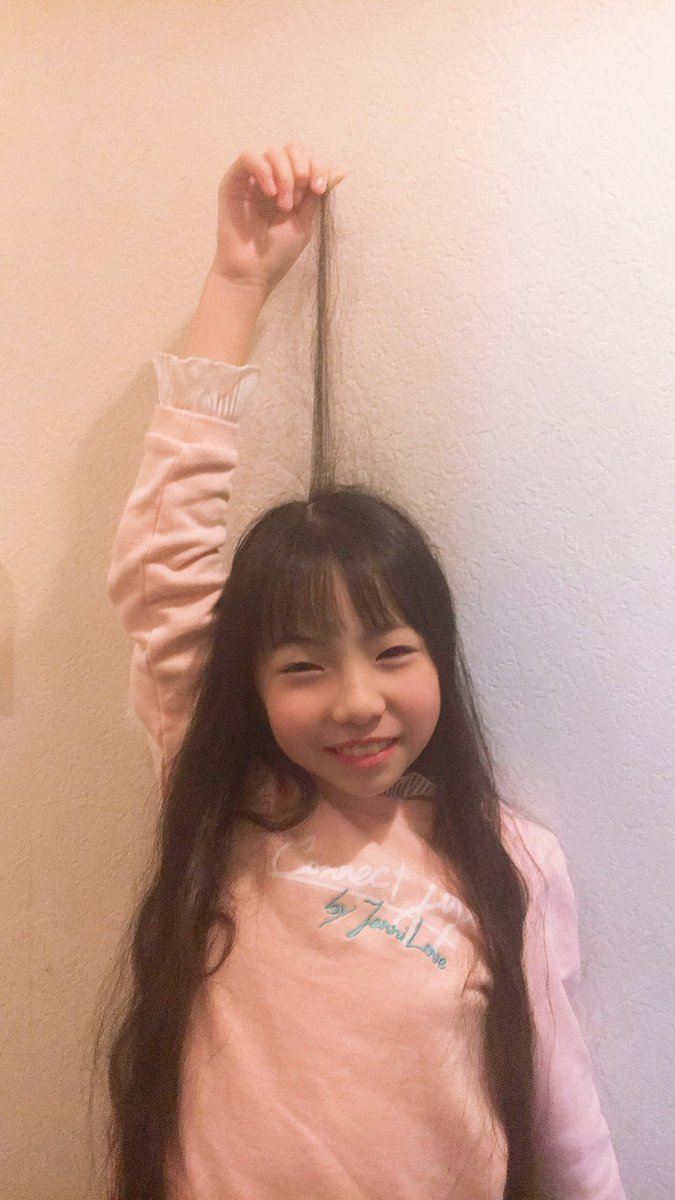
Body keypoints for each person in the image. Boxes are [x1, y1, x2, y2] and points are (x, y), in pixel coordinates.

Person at [103, 142, 626, 1200]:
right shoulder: (227, 803)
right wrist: (237, 282)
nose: (356, 702)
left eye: (392, 653)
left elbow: (562, 1119)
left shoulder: (510, 862)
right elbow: (164, 565)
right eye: (302, 665)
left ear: (440, 656)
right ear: (249, 686)